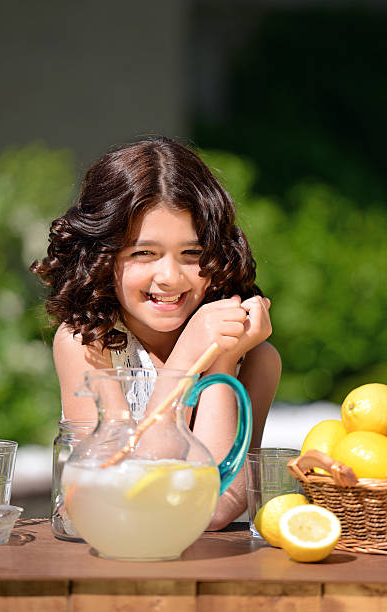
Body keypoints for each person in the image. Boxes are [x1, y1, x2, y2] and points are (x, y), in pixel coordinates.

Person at [31, 136, 281, 530]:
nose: (169, 277)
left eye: (193, 254)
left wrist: (221, 361)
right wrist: (186, 361)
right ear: (102, 256)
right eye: (143, 253)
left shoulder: (256, 358)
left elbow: (214, 508)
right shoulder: (87, 343)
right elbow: (128, 494)